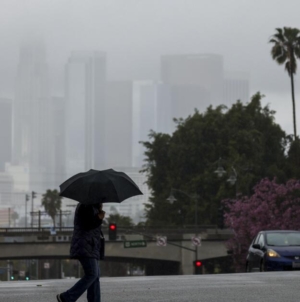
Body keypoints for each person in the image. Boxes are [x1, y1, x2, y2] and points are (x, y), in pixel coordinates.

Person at [57, 202, 105, 302]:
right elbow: (88, 225)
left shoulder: (91, 206)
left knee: (95, 276)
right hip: (85, 245)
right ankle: (67, 297)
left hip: (91, 246)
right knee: (92, 274)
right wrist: (99, 218)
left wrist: (98, 211)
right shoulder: (85, 205)